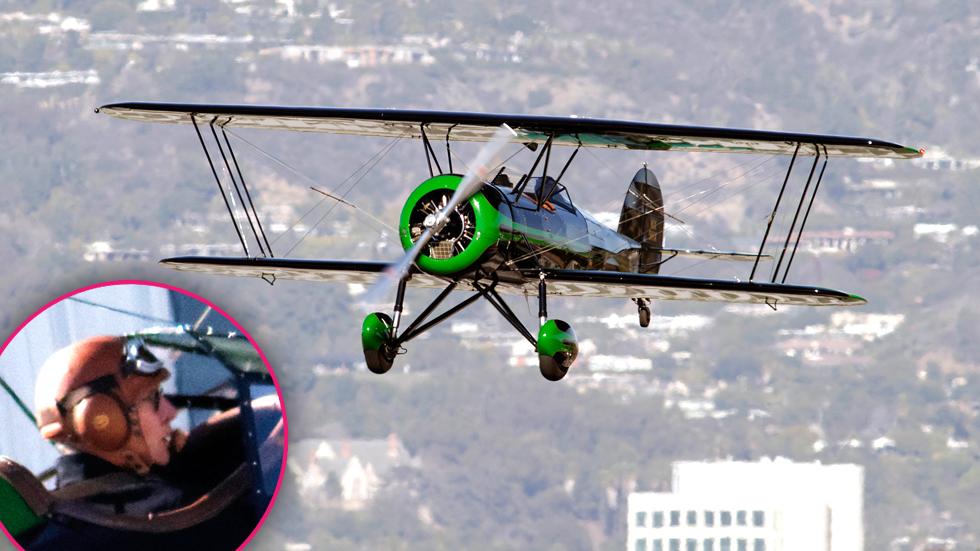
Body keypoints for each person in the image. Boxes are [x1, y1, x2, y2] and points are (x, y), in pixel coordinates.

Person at [16, 335, 277, 551]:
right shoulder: (167, 519)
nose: (170, 412)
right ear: (103, 421)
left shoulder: (70, 515)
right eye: (152, 398)